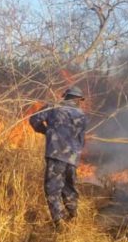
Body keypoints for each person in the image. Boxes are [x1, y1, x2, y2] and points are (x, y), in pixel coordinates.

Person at [29, 87, 88, 231]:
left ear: (65, 96)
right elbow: (82, 139)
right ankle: (73, 217)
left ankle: (59, 223)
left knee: (53, 189)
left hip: (56, 155)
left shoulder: (54, 107)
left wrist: (47, 131)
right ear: (78, 99)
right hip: (73, 158)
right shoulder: (82, 115)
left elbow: (34, 120)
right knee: (69, 188)